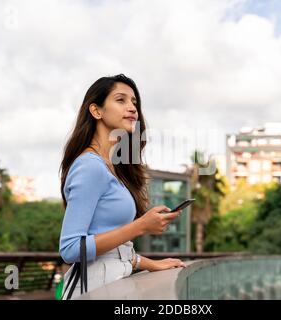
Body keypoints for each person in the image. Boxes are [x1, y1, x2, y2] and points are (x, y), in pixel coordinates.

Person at [59, 74, 186, 300]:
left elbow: (110, 248)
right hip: (94, 289)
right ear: (96, 111)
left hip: (115, 283)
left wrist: (149, 264)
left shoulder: (113, 168)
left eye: (134, 103)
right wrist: (141, 226)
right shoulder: (90, 166)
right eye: (121, 100)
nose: (132, 108)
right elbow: (71, 249)